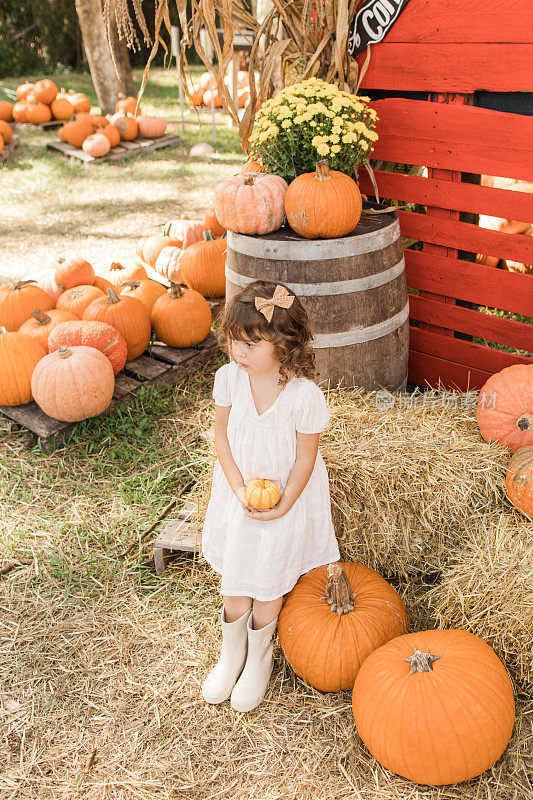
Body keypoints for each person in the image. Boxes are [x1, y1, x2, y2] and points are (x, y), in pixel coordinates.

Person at [201, 280, 340, 712]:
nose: (239, 353)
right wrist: (238, 487)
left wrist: (285, 504)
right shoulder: (229, 380)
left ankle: (259, 657)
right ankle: (233, 652)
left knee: (269, 577)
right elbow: (221, 438)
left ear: (286, 345)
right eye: (234, 342)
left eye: (252, 344)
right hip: (241, 492)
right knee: (238, 570)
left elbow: (304, 462)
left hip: (286, 500)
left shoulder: (304, 397)